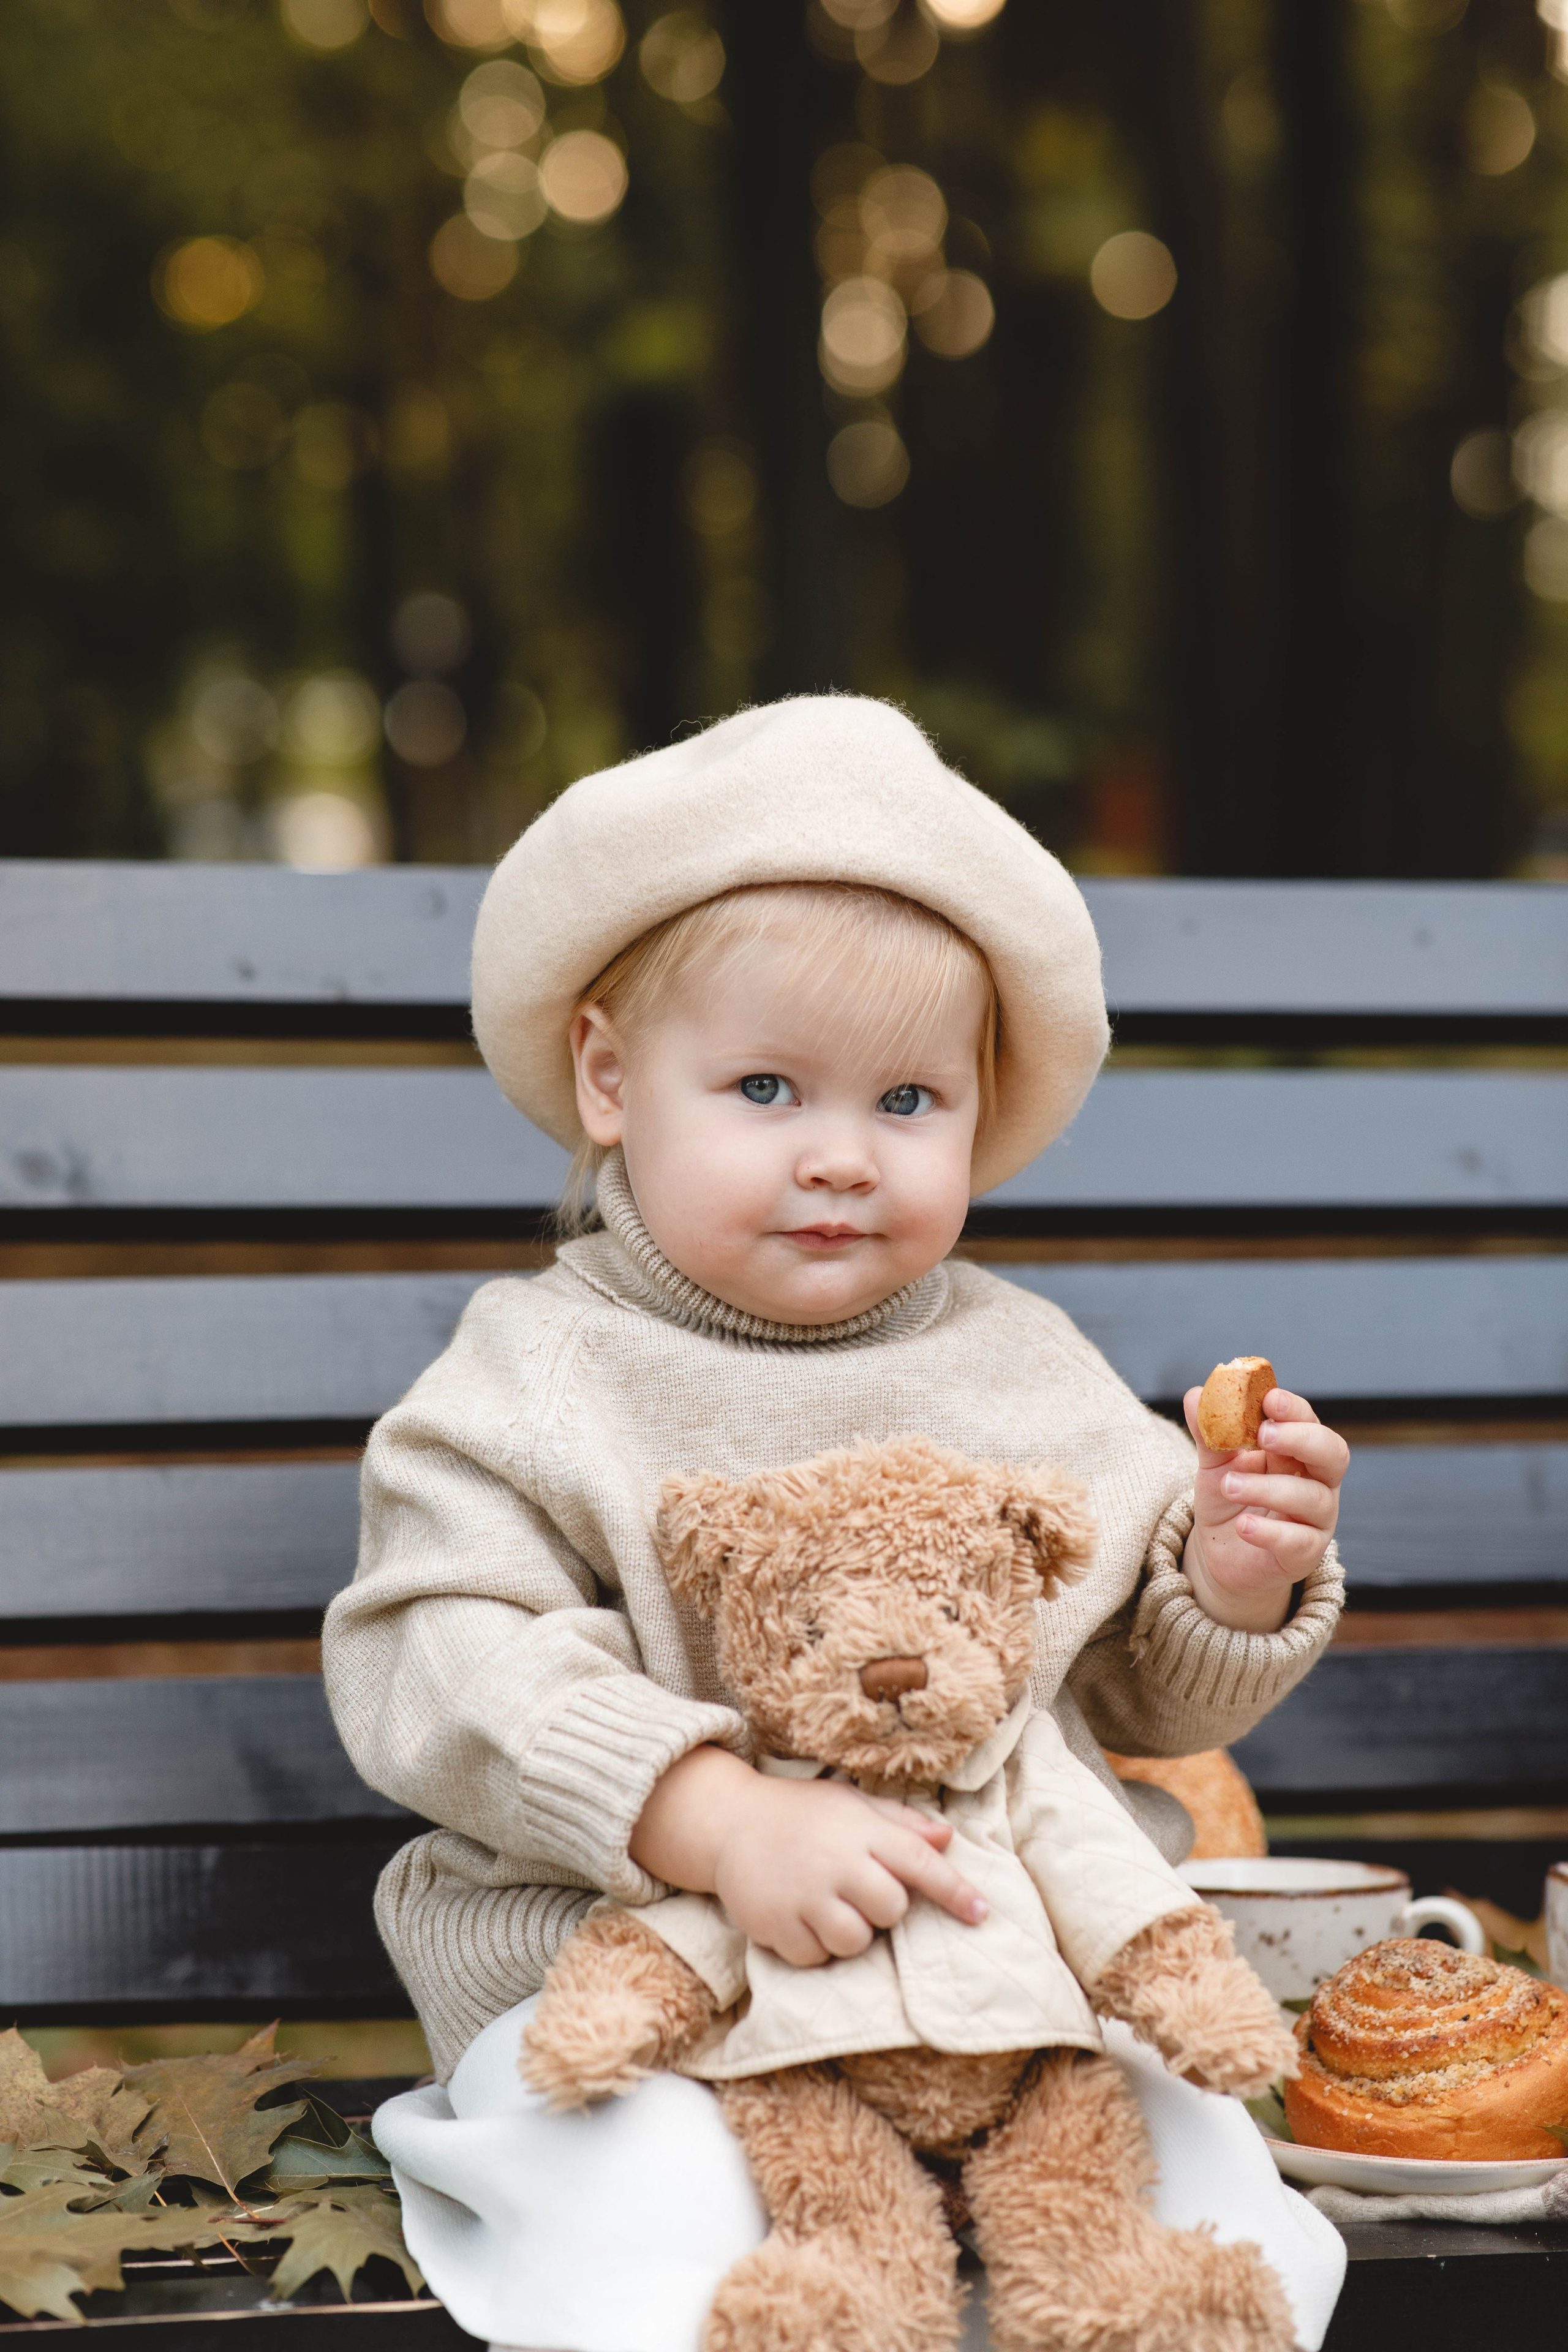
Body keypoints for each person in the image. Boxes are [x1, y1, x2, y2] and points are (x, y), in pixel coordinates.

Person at [325, 695, 1349, 2352]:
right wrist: (709, 1816)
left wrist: (1231, 1576)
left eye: (905, 1104)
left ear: (977, 1107)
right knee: (661, 2219)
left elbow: (1149, 1703)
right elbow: (437, 1653)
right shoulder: (542, 1372)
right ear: (607, 1074)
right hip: (639, 1988)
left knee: (1217, 2194)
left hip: (1009, 2001)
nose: (837, 1159)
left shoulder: (1023, 1366)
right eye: (765, 1086)